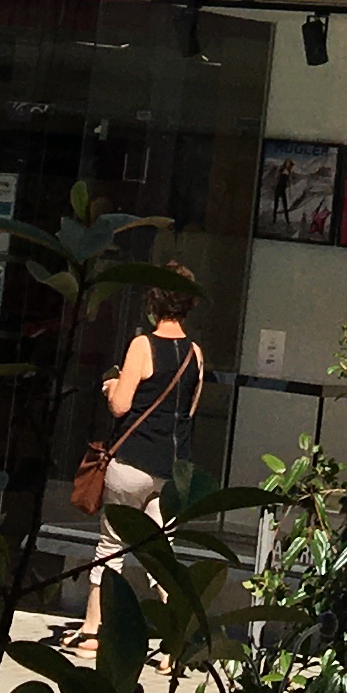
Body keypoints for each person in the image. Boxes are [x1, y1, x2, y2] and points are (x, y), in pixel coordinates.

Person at [67, 270, 205, 650]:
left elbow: (120, 405)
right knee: (162, 554)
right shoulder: (195, 353)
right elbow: (190, 409)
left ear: (152, 302)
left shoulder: (142, 345)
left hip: (132, 462)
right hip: (174, 468)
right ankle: (176, 644)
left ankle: (94, 630)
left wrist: (111, 385)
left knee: (110, 546)